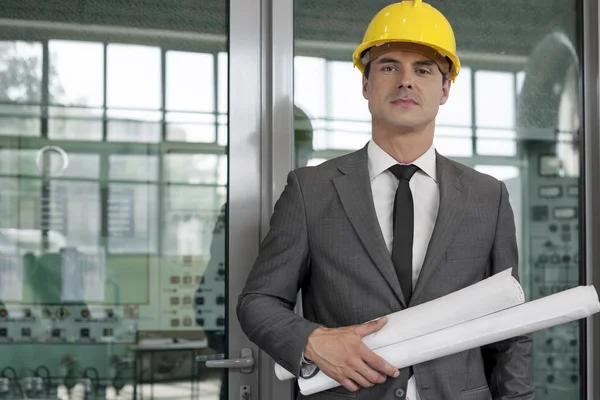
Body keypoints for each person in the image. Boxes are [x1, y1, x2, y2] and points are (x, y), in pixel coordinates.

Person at [237, 1, 534, 399]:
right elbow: (259, 301)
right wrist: (312, 340)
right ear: (365, 84)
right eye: (389, 66)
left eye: (424, 70)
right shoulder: (311, 190)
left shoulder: (486, 195)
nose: (406, 81)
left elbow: (509, 326)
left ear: (445, 89)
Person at [195, 105, 314, 400]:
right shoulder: (234, 214)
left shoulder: (328, 206)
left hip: (314, 370)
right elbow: (210, 294)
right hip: (254, 364)